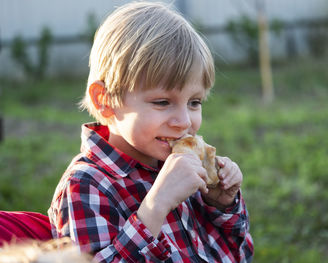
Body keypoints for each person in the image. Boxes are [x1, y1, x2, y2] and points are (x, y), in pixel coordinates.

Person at [48, 1, 254, 262]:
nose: (183, 122)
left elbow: (240, 253)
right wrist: (155, 207)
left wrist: (222, 205)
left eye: (194, 102)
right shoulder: (86, 186)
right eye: (162, 102)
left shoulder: (184, 167)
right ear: (105, 100)